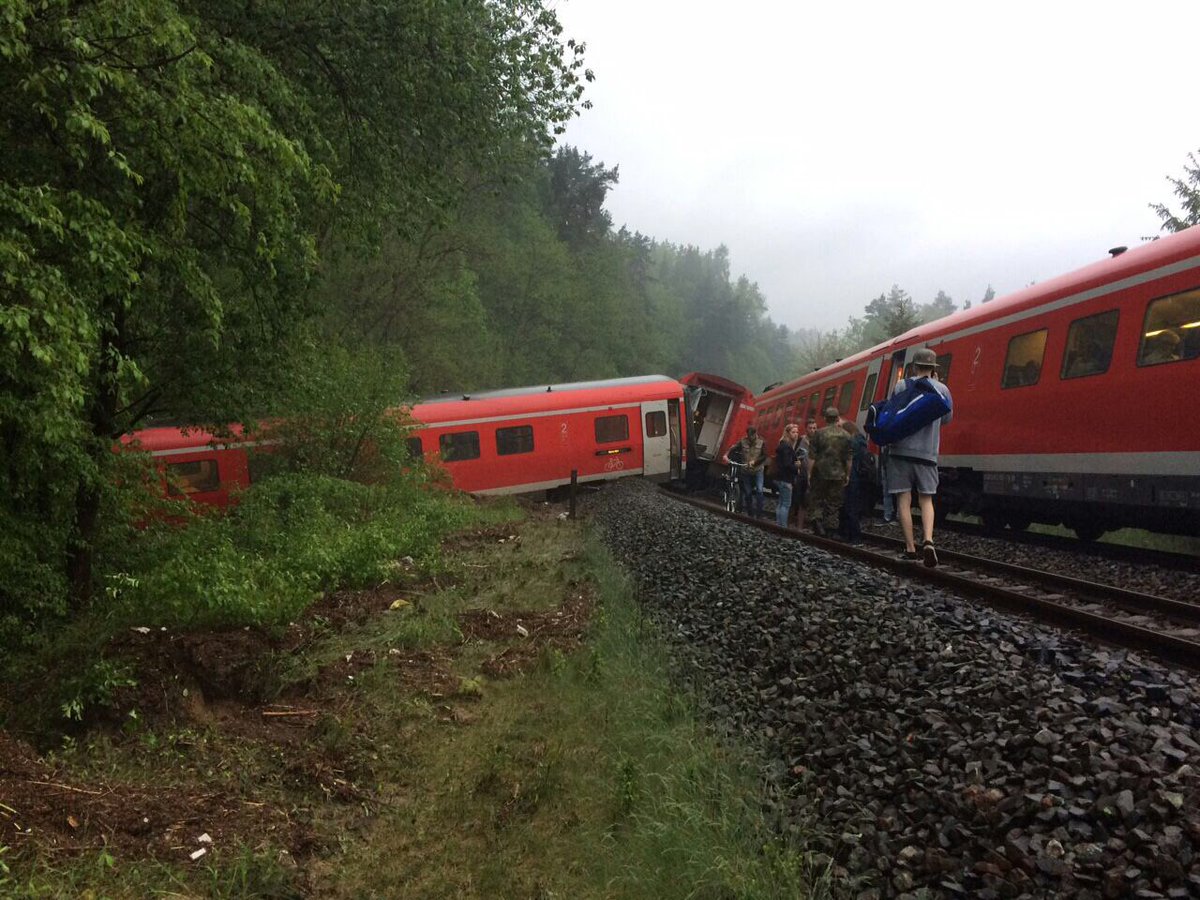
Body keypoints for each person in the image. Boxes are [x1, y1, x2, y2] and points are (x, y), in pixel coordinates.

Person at [885, 347, 953, 566]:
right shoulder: (942, 389)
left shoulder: (902, 385)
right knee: (926, 499)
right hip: (928, 454)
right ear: (933, 368)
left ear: (913, 366)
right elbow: (946, 419)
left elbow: (892, 413)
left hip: (900, 452)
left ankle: (910, 548)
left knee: (903, 500)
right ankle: (929, 540)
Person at [806, 406, 852, 537]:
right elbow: (849, 458)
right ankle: (831, 529)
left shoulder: (818, 434)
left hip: (820, 473)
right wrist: (847, 474)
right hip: (838, 474)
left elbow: (812, 456)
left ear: (825, 418)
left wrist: (809, 473)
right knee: (834, 502)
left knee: (817, 498)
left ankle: (818, 522)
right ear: (837, 418)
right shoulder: (846, 436)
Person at [837, 420, 874, 544]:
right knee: (852, 507)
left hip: (852, 478)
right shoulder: (862, 441)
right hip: (859, 478)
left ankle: (852, 536)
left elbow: (847, 460)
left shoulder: (852, 443)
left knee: (849, 507)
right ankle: (850, 535)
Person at [722, 424, 766, 517]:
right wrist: (726, 455)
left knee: (759, 490)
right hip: (745, 470)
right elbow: (733, 448)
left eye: (752, 436)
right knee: (748, 493)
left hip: (758, 470)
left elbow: (764, 456)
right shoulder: (743, 441)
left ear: (755, 434)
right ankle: (750, 513)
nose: (750, 438)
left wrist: (755, 461)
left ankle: (759, 513)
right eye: (749, 436)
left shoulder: (761, 442)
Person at [789, 418, 816, 529]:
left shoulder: (817, 442)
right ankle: (789, 523)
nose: (813, 430)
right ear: (806, 429)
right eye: (810, 428)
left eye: (815, 428)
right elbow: (793, 454)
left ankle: (799, 526)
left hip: (810, 475)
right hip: (799, 475)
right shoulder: (800, 440)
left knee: (804, 502)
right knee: (794, 499)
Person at [773, 423, 801, 527]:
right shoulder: (787, 447)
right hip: (786, 479)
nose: (796, 434)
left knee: (781, 503)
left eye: (797, 432)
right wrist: (796, 467)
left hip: (780, 478)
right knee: (786, 504)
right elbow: (787, 464)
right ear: (787, 433)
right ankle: (783, 526)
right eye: (793, 432)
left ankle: (778, 524)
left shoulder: (782, 445)